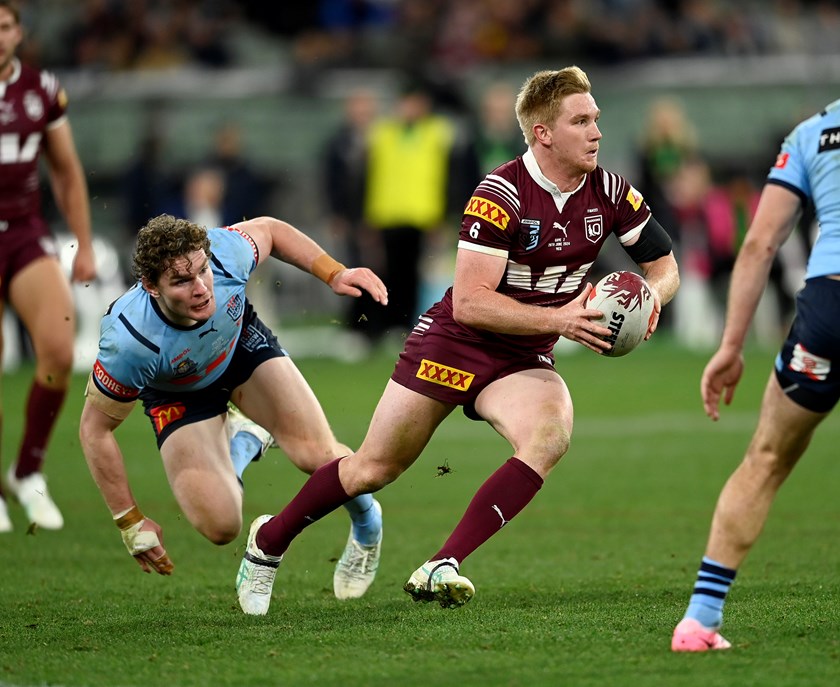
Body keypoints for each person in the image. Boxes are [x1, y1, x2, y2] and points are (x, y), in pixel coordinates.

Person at [235, 66, 680, 615]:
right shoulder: (501, 193)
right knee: (374, 468)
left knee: (549, 435)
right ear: (543, 133)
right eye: (581, 121)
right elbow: (471, 301)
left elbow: (664, 264)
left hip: (523, 353)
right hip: (456, 342)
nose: (597, 132)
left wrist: (652, 296)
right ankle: (267, 544)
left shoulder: (610, 192)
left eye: (597, 120)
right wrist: (562, 321)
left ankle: (441, 564)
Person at [77, 214, 388, 605]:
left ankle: (367, 524)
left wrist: (334, 273)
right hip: (179, 395)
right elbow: (94, 430)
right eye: (181, 281)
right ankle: (245, 440)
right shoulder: (129, 342)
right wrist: (129, 520)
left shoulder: (224, 252)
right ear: (150, 287)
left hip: (241, 351)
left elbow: (272, 230)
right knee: (221, 525)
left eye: (203, 271)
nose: (202, 288)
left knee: (320, 457)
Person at [671, 99, 840, 651]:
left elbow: (760, 243)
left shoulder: (812, 133)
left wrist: (730, 347)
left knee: (765, 459)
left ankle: (699, 619)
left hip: (827, 311)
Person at [0, 0, 96, 533]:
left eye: (6, 26)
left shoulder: (41, 89)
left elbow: (66, 170)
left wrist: (82, 243)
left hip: (23, 232)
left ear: (19, 32)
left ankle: (28, 471)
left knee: (58, 348)